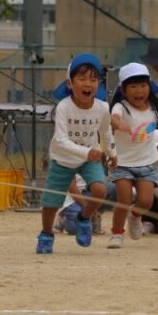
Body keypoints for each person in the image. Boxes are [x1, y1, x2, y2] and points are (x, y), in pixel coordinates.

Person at [36, 53, 115, 254]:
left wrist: (112, 153)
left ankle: (84, 218)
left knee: (100, 190)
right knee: (50, 203)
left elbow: (106, 132)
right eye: (82, 78)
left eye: (93, 79)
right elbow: (61, 141)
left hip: (89, 160)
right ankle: (46, 234)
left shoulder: (103, 108)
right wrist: (88, 152)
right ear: (70, 84)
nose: (88, 83)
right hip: (63, 160)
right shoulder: (63, 107)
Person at [108, 63, 158, 249]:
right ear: (123, 90)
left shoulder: (153, 109)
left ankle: (135, 216)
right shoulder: (121, 107)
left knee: (146, 201)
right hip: (122, 162)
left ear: (149, 87)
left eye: (143, 85)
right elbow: (113, 118)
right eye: (133, 86)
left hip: (147, 162)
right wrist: (120, 125)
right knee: (124, 200)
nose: (139, 91)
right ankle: (117, 233)